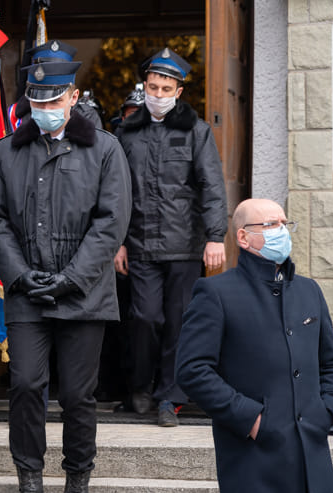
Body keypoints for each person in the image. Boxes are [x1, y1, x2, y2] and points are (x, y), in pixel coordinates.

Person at [0, 60, 131, 493]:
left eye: (53, 101)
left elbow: (111, 222)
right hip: (28, 293)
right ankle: (30, 491)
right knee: (25, 386)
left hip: (83, 293)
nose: (44, 109)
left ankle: (77, 489)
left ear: (72, 97)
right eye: (37, 102)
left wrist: (71, 278)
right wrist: (21, 275)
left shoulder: (105, 148)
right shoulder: (7, 152)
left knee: (77, 396)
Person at [176, 198, 333, 493]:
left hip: (309, 458)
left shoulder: (309, 291)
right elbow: (192, 371)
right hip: (252, 457)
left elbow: (331, 363)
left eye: (285, 223)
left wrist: (328, 411)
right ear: (244, 237)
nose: (282, 231)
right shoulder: (216, 293)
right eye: (271, 224)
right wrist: (252, 419)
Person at [114, 47, 228, 426]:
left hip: (185, 246)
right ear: (143, 87)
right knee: (144, 318)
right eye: (152, 87)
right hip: (141, 245)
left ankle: (169, 398)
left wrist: (216, 237)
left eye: (166, 88)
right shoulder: (127, 133)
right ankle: (140, 386)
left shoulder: (197, 132)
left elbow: (212, 186)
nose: (158, 95)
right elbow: (115, 192)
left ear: (179, 92)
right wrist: (117, 241)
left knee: (178, 322)